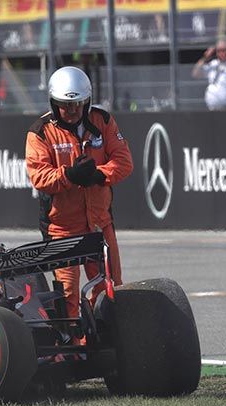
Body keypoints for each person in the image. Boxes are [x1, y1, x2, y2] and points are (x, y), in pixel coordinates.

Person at [25, 66, 133, 324]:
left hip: (99, 223)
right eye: (65, 105)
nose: (72, 111)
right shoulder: (40, 132)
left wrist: (98, 174)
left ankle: (108, 340)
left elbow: (124, 162)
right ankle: (72, 348)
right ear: (54, 103)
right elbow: (39, 177)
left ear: (87, 101)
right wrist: (70, 176)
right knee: (68, 296)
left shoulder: (103, 121)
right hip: (62, 229)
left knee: (110, 288)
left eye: (77, 104)